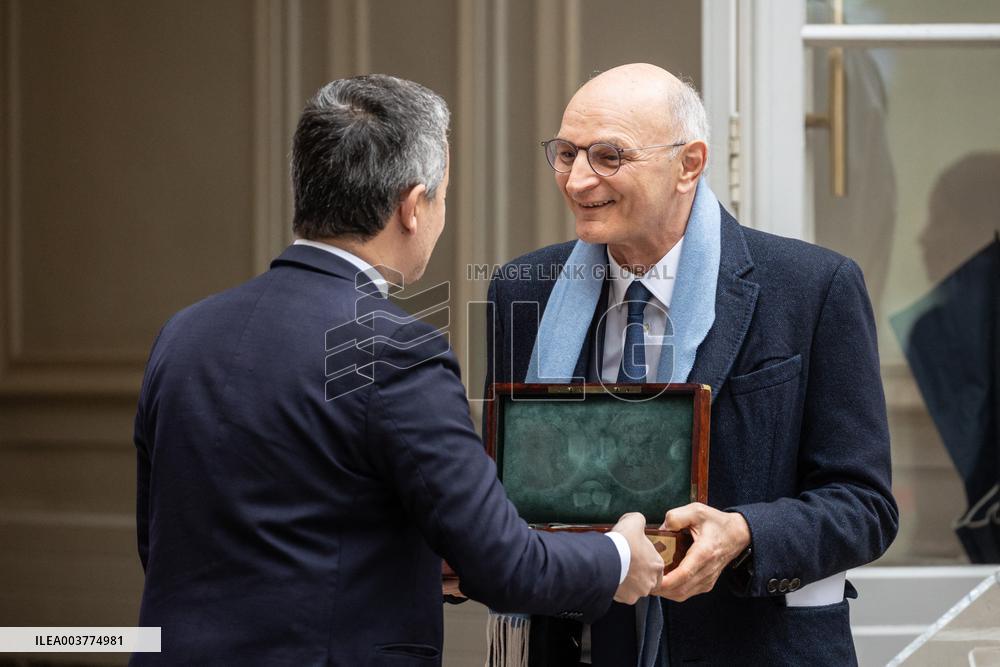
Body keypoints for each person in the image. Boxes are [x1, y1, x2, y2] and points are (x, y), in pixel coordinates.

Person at [131, 74, 667, 666]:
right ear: (413, 207)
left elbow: (160, 542)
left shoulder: (184, 332)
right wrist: (619, 555)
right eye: (440, 197)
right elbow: (506, 565)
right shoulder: (394, 348)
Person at [484, 63, 898, 666]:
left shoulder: (812, 288)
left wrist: (746, 535)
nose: (577, 179)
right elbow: (505, 483)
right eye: (566, 152)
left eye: (608, 155)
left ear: (689, 164)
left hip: (749, 645)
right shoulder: (522, 291)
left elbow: (865, 506)